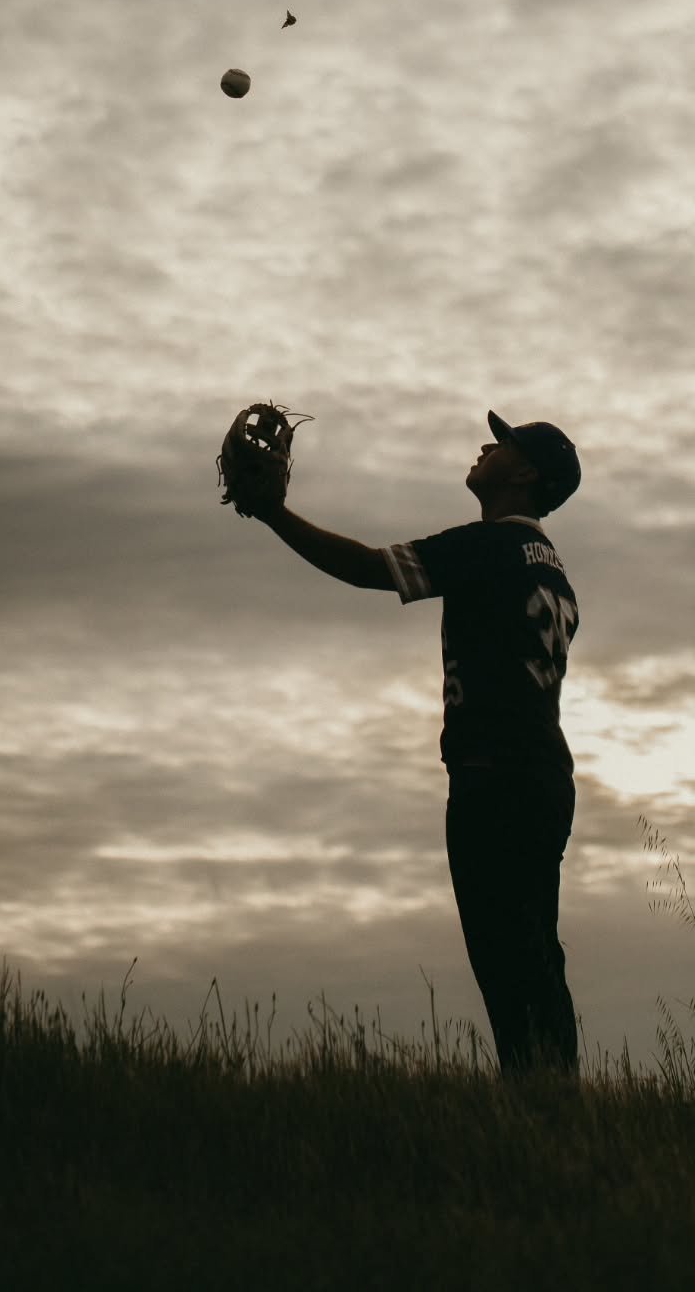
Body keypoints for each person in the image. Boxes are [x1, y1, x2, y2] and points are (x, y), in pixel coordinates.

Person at [250, 409, 583, 1076]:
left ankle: (541, 1105)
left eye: (504, 443)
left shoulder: (488, 547)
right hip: (543, 777)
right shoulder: (553, 569)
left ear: (523, 473)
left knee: (506, 958)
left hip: (496, 777)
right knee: (536, 954)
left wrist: (273, 514)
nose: (488, 446)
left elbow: (372, 569)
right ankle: (554, 1101)